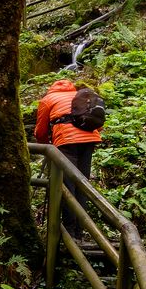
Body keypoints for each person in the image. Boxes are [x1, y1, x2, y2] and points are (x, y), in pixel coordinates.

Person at [33, 78, 105, 233]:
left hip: (66, 142)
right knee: (82, 183)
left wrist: (46, 146)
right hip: (89, 140)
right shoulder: (78, 95)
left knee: (67, 185)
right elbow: (96, 120)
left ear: (51, 89)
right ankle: (80, 230)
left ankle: (70, 231)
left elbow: (40, 132)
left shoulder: (48, 99)